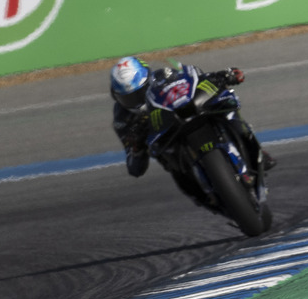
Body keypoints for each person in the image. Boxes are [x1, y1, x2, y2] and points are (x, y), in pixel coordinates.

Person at [109, 55, 276, 196]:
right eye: (129, 98)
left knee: (225, 106)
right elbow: (134, 169)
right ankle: (207, 198)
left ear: (148, 80)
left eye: (141, 93)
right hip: (170, 143)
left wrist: (222, 76)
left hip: (186, 114)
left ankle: (257, 150)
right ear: (117, 97)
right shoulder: (122, 119)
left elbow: (194, 78)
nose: (137, 101)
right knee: (176, 172)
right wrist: (136, 148)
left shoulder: (164, 76)